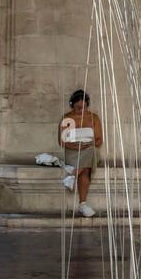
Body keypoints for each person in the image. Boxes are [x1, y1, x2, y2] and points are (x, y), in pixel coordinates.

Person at [58, 89, 103, 217]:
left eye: (83, 107)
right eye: (77, 107)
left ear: (87, 104)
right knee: (86, 169)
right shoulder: (67, 118)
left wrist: (87, 146)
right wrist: (77, 146)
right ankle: (83, 204)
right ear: (72, 104)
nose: (80, 109)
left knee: (93, 151)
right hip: (72, 153)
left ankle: (72, 176)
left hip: (90, 150)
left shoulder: (94, 118)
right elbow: (62, 141)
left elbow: (99, 140)